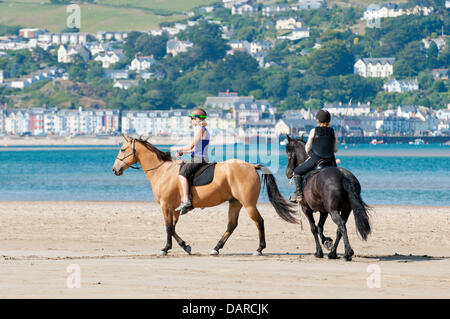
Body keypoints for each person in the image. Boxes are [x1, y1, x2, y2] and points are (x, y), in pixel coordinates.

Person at [290, 109, 338, 203]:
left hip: (317, 158)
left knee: (297, 171)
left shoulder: (314, 131)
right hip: (331, 160)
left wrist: (309, 154)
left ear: (317, 120)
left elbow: (307, 148)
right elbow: (335, 150)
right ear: (329, 120)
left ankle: (299, 194)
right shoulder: (333, 131)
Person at [170, 108, 210, 215]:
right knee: (183, 167)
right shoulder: (204, 130)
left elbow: (191, 145)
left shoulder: (199, 129)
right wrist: (183, 152)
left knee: (182, 174)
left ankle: (186, 200)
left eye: (191, 118)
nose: (190, 121)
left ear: (196, 119)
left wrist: (177, 148)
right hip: (200, 158)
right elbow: (193, 149)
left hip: (198, 159)